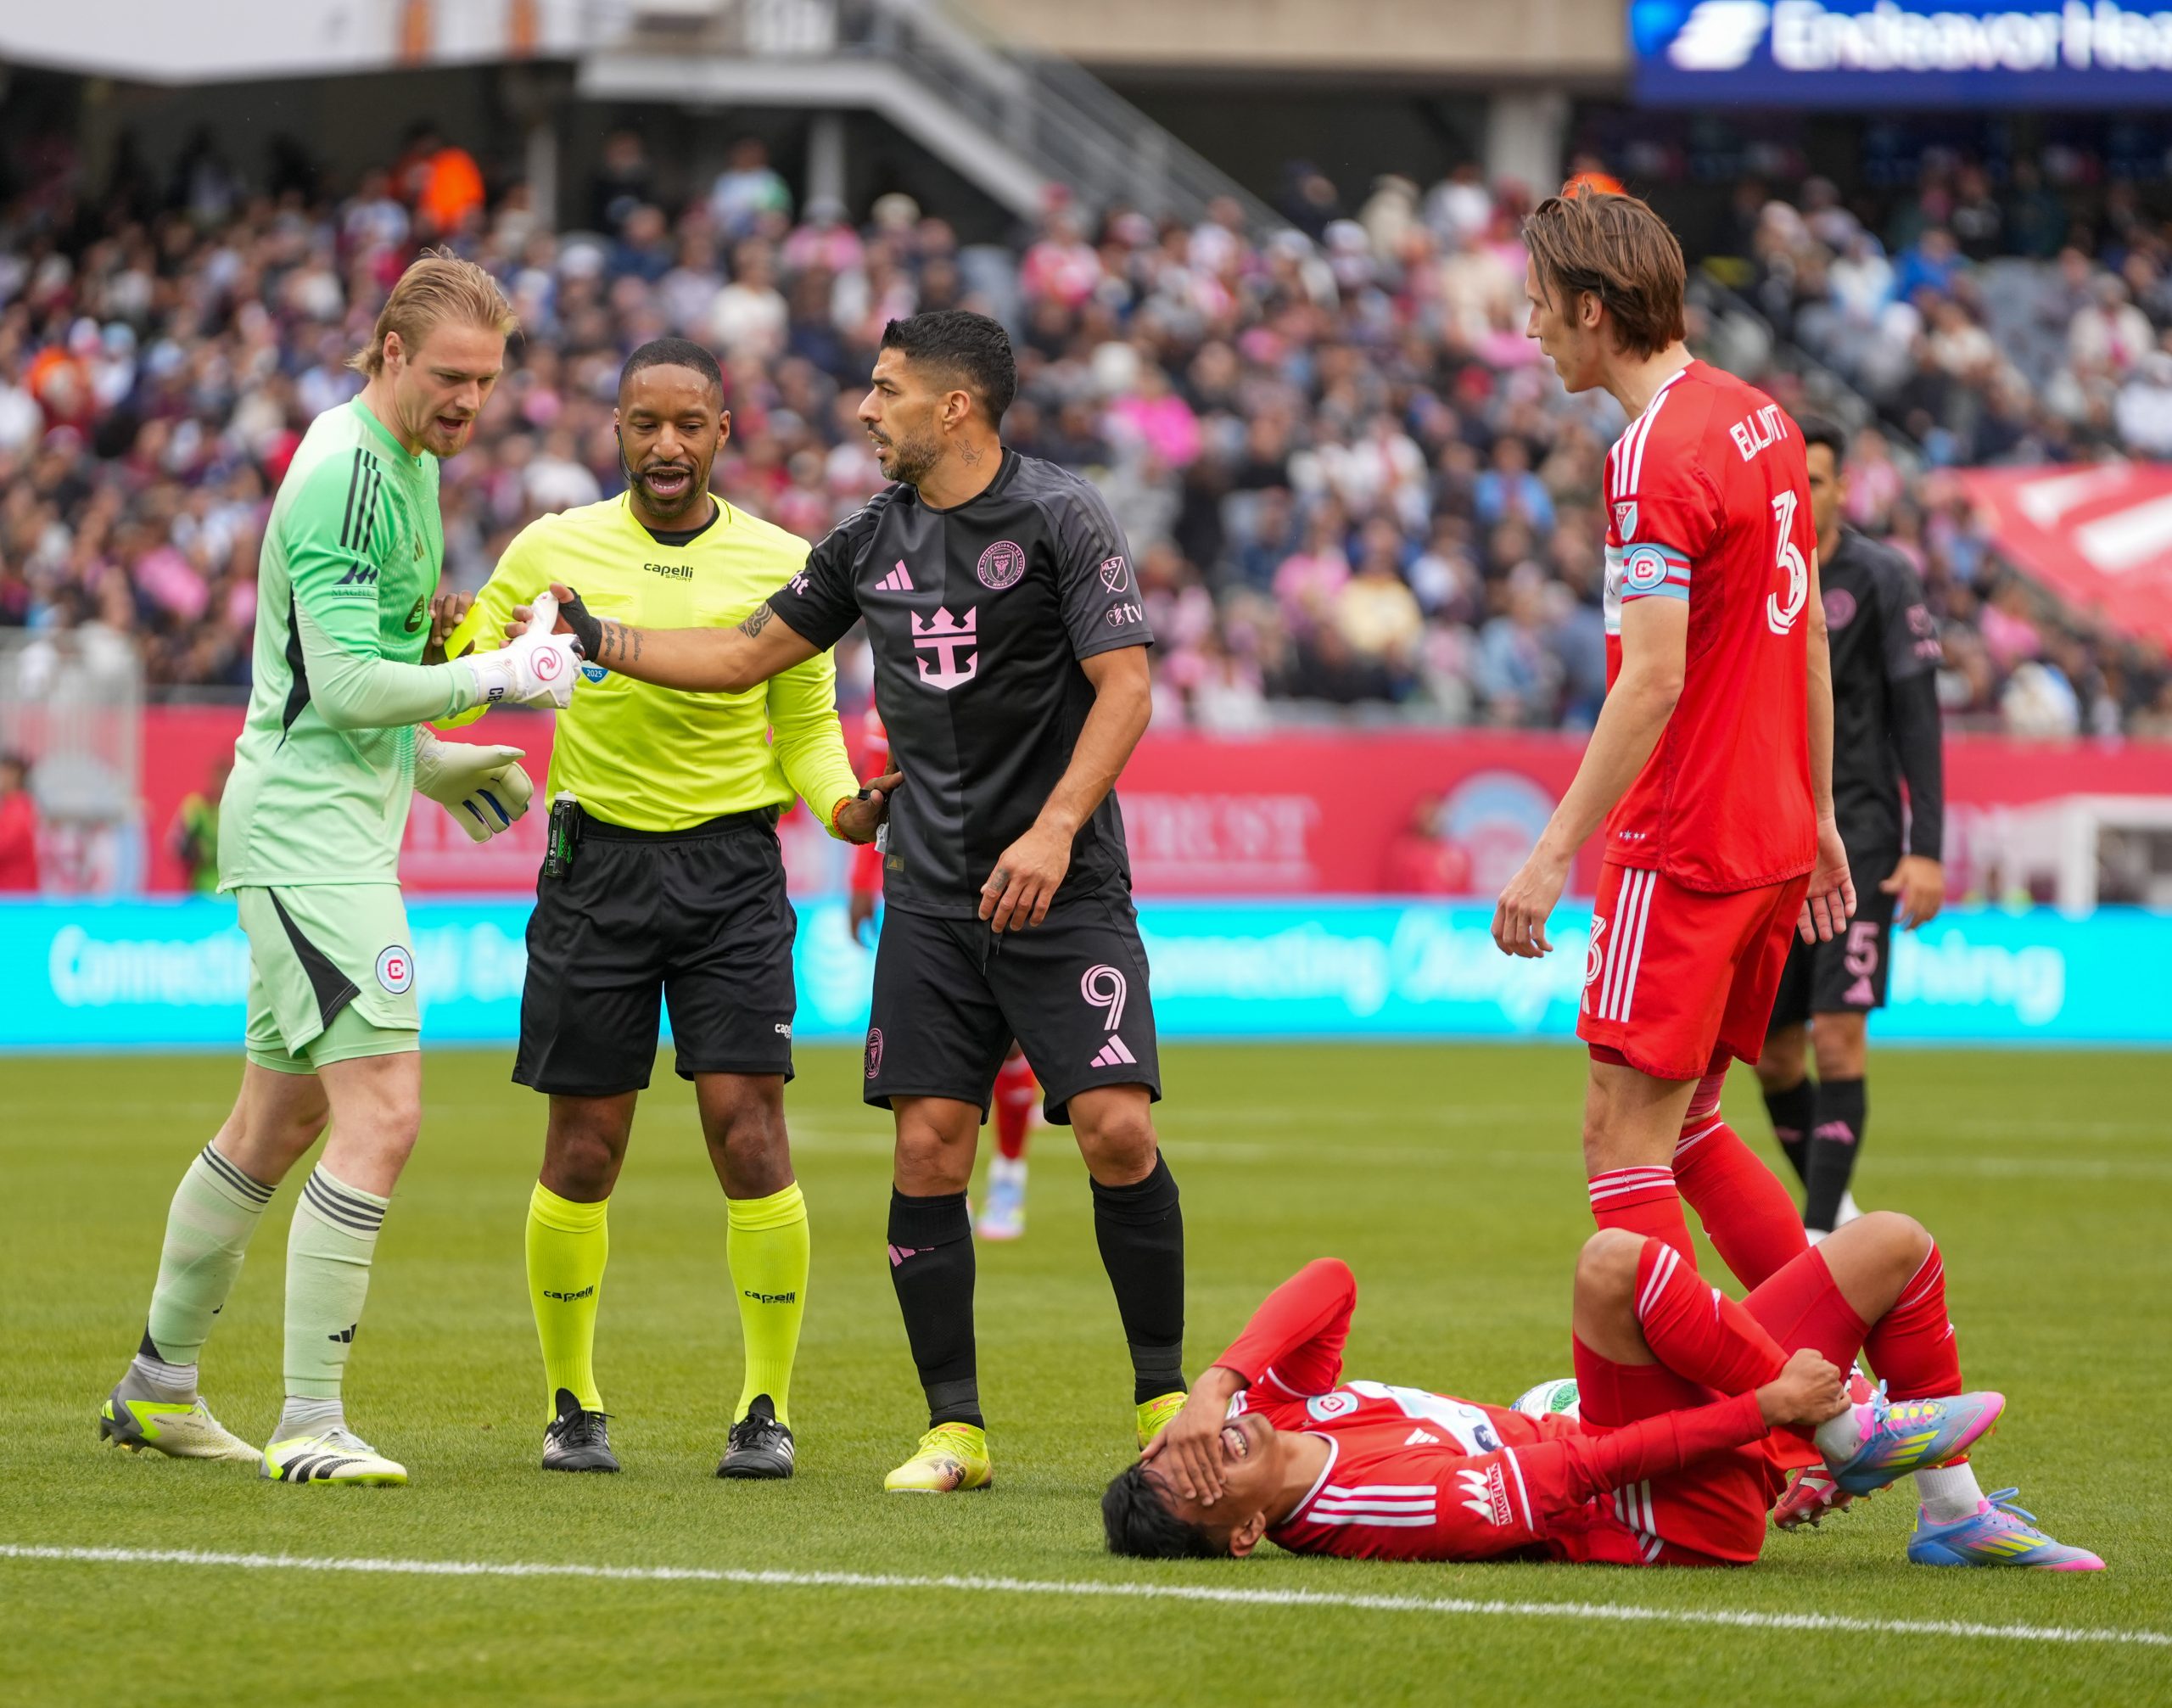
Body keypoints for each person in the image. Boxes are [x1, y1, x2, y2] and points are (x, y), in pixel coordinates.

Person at [527, 309, 1188, 1492]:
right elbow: (741, 656)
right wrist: (599, 636)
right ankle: (955, 1430)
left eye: (886, 390)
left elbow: (1125, 689)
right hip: (930, 898)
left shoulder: (1061, 514)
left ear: (954, 405)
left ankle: (1161, 1401)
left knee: (1116, 1128)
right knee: (929, 1150)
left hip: (1063, 882)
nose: (866, 409)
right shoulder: (868, 537)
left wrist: (1052, 828)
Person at [96, 252, 581, 1487]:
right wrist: (503, 677)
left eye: (488, 381)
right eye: (452, 376)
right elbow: (350, 684)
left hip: (328, 824)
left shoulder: (408, 463)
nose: (470, 402)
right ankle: (311, 1419)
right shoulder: (348, 477)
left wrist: (437, 763)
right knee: (387, 1113)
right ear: (390, 352)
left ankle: (158, 1387)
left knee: (277, 1120)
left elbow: (345, 689)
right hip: (309, 842)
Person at [444, 337, 890, 1479]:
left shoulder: (784, 560)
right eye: (646, 423)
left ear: (724, 431)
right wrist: (445, 638)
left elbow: (805, 729)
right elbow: (470, 672)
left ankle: (764, 1407)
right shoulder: (552, 547)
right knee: (584, 1146)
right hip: (594, 869)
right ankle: (571, 1402)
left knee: (750, 1132)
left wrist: (843, 810)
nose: (667, 445)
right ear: (617, 430)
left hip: (733, 874)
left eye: (690, 423)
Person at [1492, 188, 1852, 1308]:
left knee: (1620, 1136)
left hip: (1686, 837)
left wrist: (1551, 851)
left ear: (1592, 309)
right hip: (1771, 833)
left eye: (1540, 303)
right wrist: (1820, 813)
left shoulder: (1653, 457)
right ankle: (1827, 1371)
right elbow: (1806, 633)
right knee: (1689, 1123)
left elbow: (1652, 678)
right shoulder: (1763, 419)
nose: (1530, 326)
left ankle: (1698, 1400)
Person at [1106, 1223, 2100, 1571]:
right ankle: (1841, 1434)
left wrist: (1215, 1383)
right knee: (1613, 1265)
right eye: (1198, 1478)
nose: (1207, 1446)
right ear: (1244, 1535)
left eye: (1182, 1445)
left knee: (1894, 1244)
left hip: (1634, 1434)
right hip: (1666, 1512)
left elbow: (1330, 1281)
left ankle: (1951, 1515)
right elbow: (1590, 1466)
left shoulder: (1276, 1417)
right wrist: (1770, 1411)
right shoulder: (1371, 1508)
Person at [1756, 419, 1945, 1242]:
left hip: (1859, 836)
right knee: (1772, 1056)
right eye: (1790, 480)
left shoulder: (1880, 577)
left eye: (1816, 481)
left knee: (1837, 1038)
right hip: (1769, 838)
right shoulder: (1753, 570)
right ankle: (1838, 1217)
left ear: (1841, 490)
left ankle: (1817, 1237)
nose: (1802, 495)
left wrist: (1925, 848)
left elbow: (1919, 718)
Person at [846, 705, 1041, 1242]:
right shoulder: (890, 702)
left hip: (1004, 868)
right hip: (925, 887)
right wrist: (862, 879)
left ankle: (1009, 1174)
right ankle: (955, 1185)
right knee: (944, 1047)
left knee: (1011, 1042)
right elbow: (880, 791)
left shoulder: (999, 684)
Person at [168, 756, 230, 894]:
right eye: (219, 778)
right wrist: (195, 851)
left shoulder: (238, 810)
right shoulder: (197, 807)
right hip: (202, 890)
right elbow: (173, 845)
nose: (222, 784)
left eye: (226, 778)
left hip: (233, 893)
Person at [0, 753, 38, 892]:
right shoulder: (11, 808)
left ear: (13, 774)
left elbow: (4, 846)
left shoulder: (19, 810)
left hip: (15, 895)